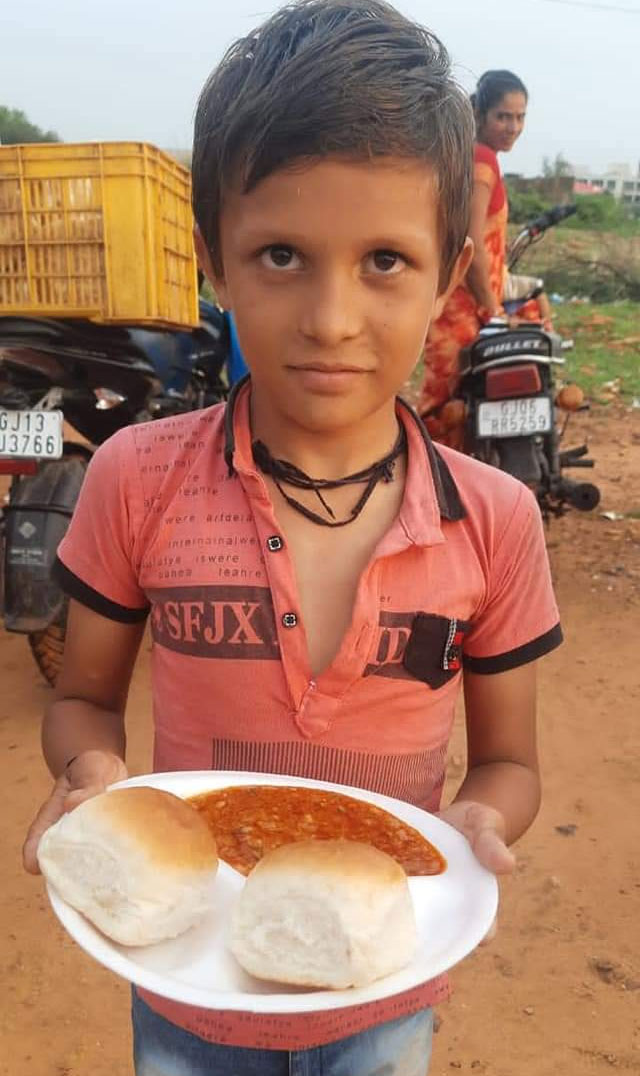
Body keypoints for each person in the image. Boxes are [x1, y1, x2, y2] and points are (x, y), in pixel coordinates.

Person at [22, 4, 562, 1074]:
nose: (330, 318)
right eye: (280, 254)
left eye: (385, 260)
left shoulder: (495, 519)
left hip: (384, 978)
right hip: (190, 980)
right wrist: (91, 769)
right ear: (215, 264)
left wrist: (477, 820)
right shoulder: (138, 478)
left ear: (449, 270)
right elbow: (82, 697)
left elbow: (508, 761)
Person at [419, 69, 550, 446]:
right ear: (480, 114)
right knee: (447, 409)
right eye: (503, 116)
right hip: (460, 308)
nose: (513, 127)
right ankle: (433, 478)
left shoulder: (476, 157)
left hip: (473, 301)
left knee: (465, 403)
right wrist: (493, 310)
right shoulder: (481, 160)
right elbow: (470, 240)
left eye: (520, 117)